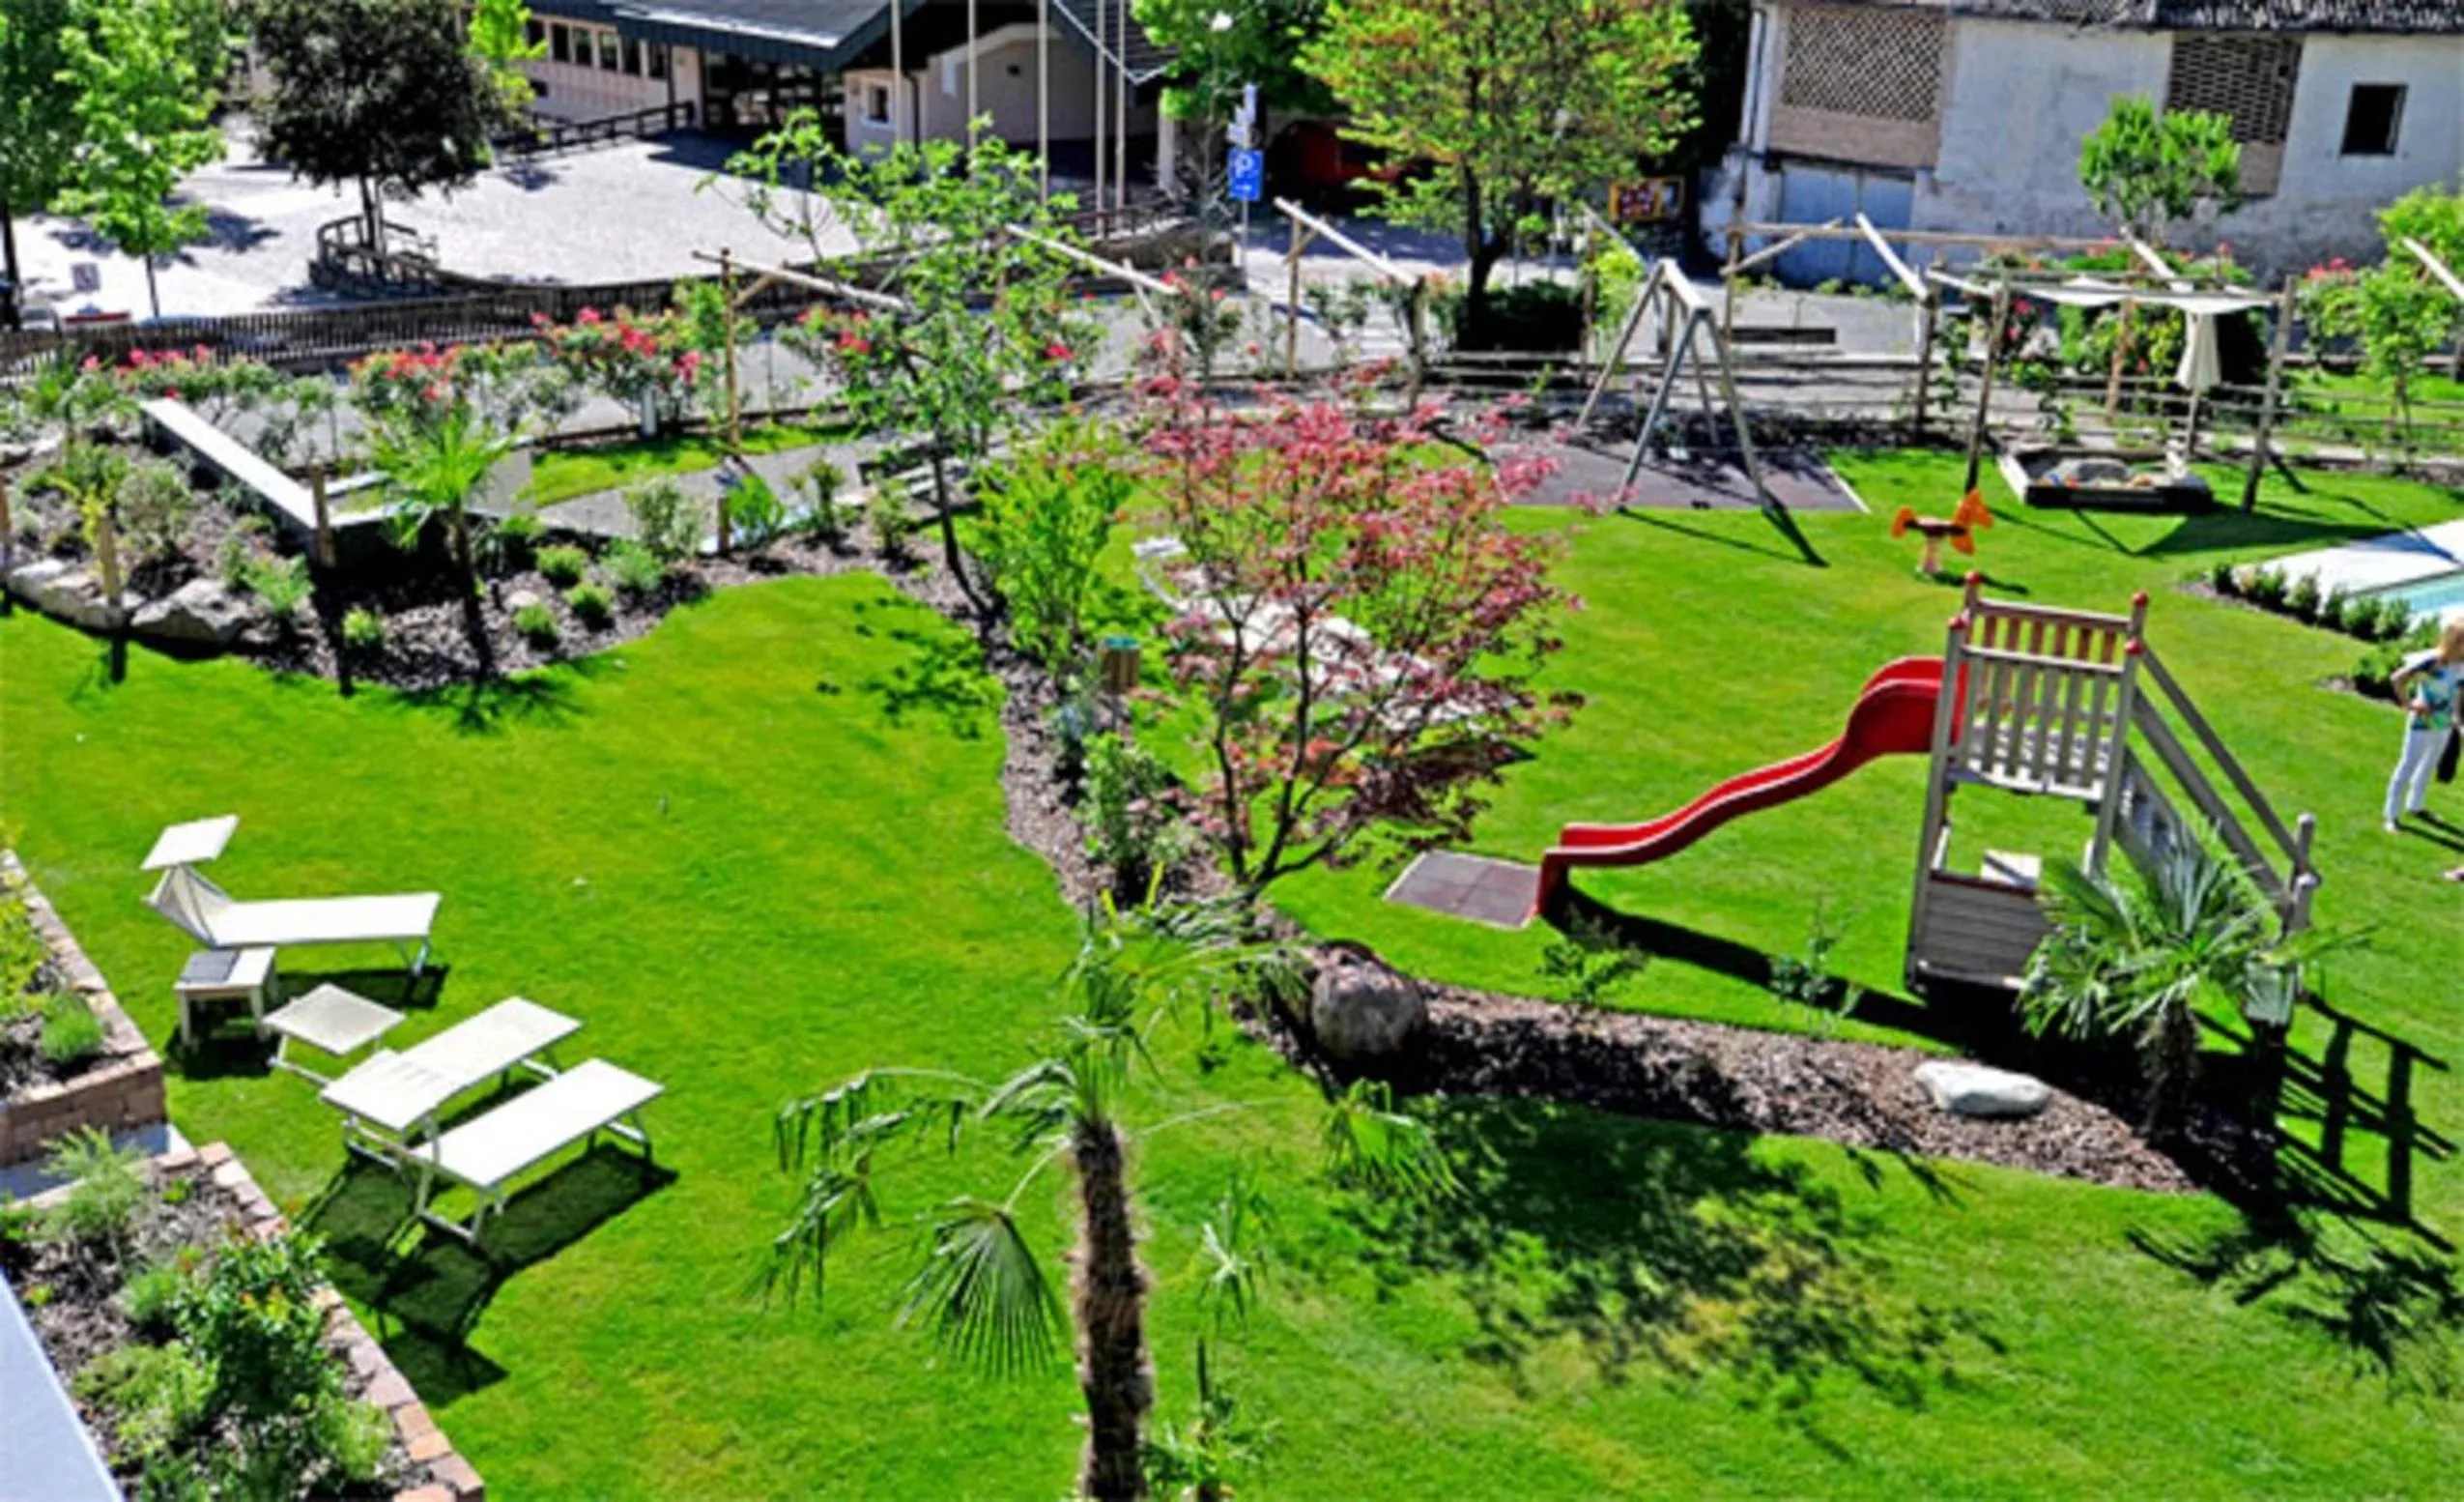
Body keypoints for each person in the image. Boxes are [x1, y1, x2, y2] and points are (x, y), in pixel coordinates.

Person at [2385, 619, 2464, 833]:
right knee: (2408, 765)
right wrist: (2409, 704)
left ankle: (2415, 805)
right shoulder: (2430, 661)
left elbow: (2458, 693)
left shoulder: (2461, 666)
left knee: (2429, 765)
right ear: (2454, 642)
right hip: (2421, 724)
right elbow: (2397, 679)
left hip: (2443, 724)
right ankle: (2391, 815)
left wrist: (2457, 719)